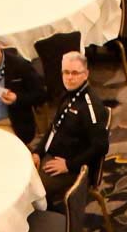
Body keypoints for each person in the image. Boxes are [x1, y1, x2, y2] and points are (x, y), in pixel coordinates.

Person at [33, 50, 109, 206]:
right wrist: (38, 152)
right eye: (66, 72)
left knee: (34, 189)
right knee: (24, 172)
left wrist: (69, 165)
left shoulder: (90, 105)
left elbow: (101, 146)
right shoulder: (69, 93)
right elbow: (54, 127)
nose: (69, 77)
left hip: (74, 167)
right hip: (54, 155)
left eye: (75, 73)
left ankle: (48, 215)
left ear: (86, 74)